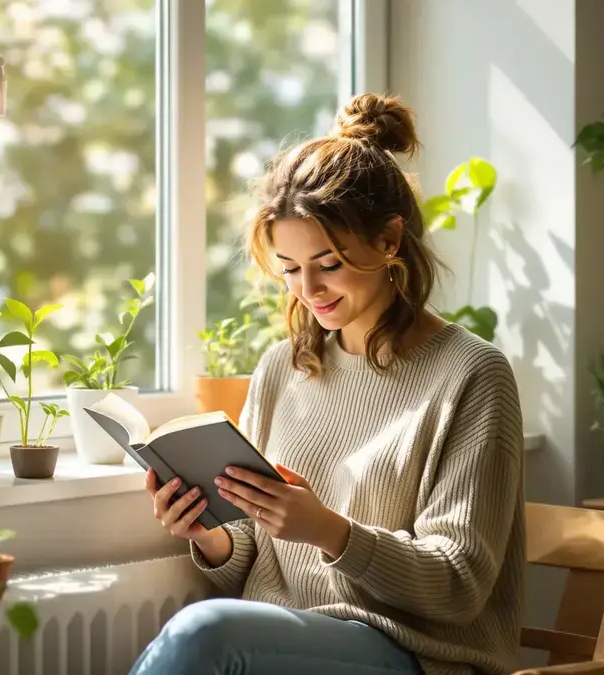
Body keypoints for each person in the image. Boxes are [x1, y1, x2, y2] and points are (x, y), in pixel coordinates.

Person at [128, 92, 525, 675]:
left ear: (389, 241)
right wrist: (210, 534)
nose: (308, 289)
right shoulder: (280, 369)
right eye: (289, 269)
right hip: (293, 647)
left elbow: (460, 585)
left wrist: (330, 532)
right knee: (209, 630)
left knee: (206, 631)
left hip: (414, 655)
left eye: (329, 263)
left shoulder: (471, 374)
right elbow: (258, 557)